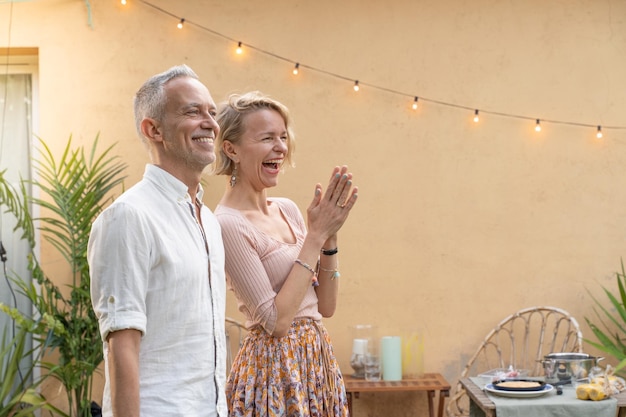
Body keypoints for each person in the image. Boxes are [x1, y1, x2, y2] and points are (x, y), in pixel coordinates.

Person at [88, 65, 227, 417]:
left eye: (212, 112)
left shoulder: (208, 221)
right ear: (153, 130)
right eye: (192, 111)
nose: (209, 122)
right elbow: (123, 347)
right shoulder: (128, 217)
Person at [213, 91, 358, 416]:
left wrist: (329, 238)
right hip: (274, 374)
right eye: (267, 138)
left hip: (316, 361)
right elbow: (276, 323)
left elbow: (327, 306)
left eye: (282, 136)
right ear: (231, 148)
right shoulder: (228, 224)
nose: (280, 147)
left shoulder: (288, 209)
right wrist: (315, 236)